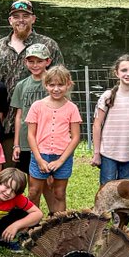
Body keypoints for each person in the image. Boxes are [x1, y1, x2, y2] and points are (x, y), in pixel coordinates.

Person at [0, 0, 63, 152]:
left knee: (40, 170)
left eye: (25, 15)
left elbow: (60, 81)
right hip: (5, 121)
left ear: (33, 18)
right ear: (10, 20)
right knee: (8, 172)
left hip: (42, 122)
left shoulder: (49, 45)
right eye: (16, 16)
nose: (21, 20)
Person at [25, 65, 81, 215]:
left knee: (59, 193)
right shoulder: (37, 106)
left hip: (62, 156)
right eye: (52, 85)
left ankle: (58, 226)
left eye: (60, 85)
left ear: (68, 84)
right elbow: (31, 134)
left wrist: (61, 161)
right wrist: (39, 159)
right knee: (34, 191)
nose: (56, 89)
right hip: (40, 154)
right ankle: (31, 224)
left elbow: (75, 137)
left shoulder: (72, 108)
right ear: (46, 85)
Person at [91, 54, 129, 186]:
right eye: (124, 70)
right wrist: (96, 153)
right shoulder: (108, 96)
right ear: (116, 73)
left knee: (126, 192)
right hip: (108, 152)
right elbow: (97, 125)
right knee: (107, 189)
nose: (128, 74)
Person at [10, 44, 52, 172]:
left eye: (39, 61)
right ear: (25, 62)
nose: (35, 65)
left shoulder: (54, 84)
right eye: (31, 61)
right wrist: (17, 144)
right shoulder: (21, 85)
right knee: (28, 178)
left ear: (48, 61)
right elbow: (19, 116)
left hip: (47, 138)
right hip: (26, 140)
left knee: (48, 180)